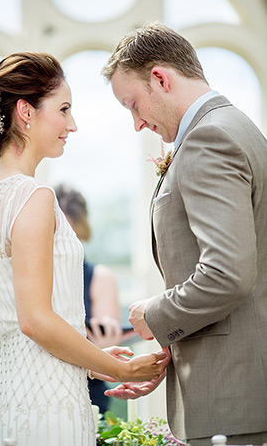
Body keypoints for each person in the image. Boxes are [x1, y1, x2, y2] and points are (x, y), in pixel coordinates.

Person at [0, 52, 169, 446]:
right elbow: (35, 321)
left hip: (3, 392)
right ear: (25, 111)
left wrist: (92, 360)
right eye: (64, 109)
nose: (72, 125)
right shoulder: (33, 196)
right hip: (48, 399)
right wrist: (117, 369)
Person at [102, 23, 267, 446]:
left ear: (160, 78)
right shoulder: (237, 127)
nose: (137, 123)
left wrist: (154, 315)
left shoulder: (209, 139)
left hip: (234, 398)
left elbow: (227, 274)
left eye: (133, 104)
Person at [55, 183, 129, 413]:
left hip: (88, 393)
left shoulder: (100, 277)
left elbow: (106, 346)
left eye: (71, 236)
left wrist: (106, 343)